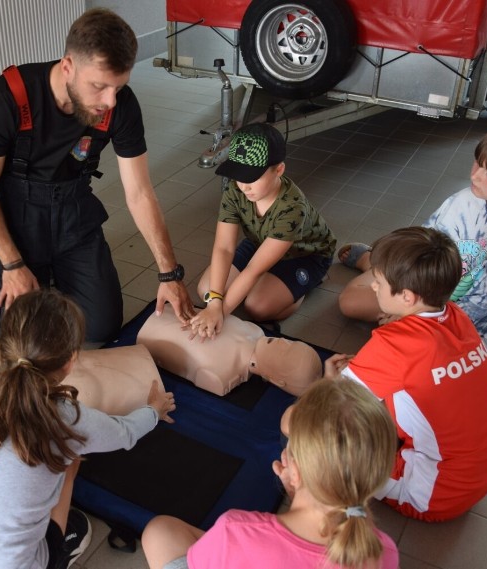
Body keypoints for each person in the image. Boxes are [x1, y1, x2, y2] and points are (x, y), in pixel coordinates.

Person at [0, 8, 193, 342]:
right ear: (68, 66)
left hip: (75, 218)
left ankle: (55, 277)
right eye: (100, 86)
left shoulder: (120, 105)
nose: (110, 101)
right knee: (22, 341)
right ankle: (29, 275)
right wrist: (13, 266)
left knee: (102, 327)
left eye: (118, 87)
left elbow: (140, 193)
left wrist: (169, 273)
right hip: (19, 224)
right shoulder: (7, 97)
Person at [0, 290, 175, 569]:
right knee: (71, 457)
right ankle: (62, 546)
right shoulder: (67, 419)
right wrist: (153, 410)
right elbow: (126, 433)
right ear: (72, 360)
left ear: (3, 347)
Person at [337, 124, 487, 365]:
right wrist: (406, 308)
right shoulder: (467, 198)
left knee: (408, 351)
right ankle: (373, 265)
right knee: (350, 303)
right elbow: (424, 248)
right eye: (478, 163)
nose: (475, 175)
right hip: (427, 294)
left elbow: (475, 315)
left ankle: (373, 267)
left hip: (467, 333)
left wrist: (411, 316)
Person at [333, 227, 487, 522]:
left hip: (434, 495)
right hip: (481, 474)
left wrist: (328, 378)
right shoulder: (456, 316)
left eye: (378, 283)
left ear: (408, 297)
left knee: (321, 437)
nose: (373, 288)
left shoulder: (393, 345)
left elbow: (334, 403)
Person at [141, 379, 400, 569]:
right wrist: (298, 490)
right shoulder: (384, 550)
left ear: (293, 470)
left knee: (159, 532)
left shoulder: (236, 530)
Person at [188, 123, 336, 340]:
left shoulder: (292, 208)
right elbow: (224, 247)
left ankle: (305, 287)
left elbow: (254, 269)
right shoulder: (235, 190)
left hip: (304, 254)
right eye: (239, 175)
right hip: (260, 241)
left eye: (252, 177)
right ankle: (271, 286)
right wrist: (216, 301)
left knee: (258, 307)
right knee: (206, 290)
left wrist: (218, 312)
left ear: (279, 170)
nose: (244, 186)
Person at [138, 304, 322, 396]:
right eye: (292, 343)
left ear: (277, 380)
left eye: (286, 351)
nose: (284, 341)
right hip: (168, 315)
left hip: (150, 336)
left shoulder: (222, 375)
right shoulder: (255, 331)